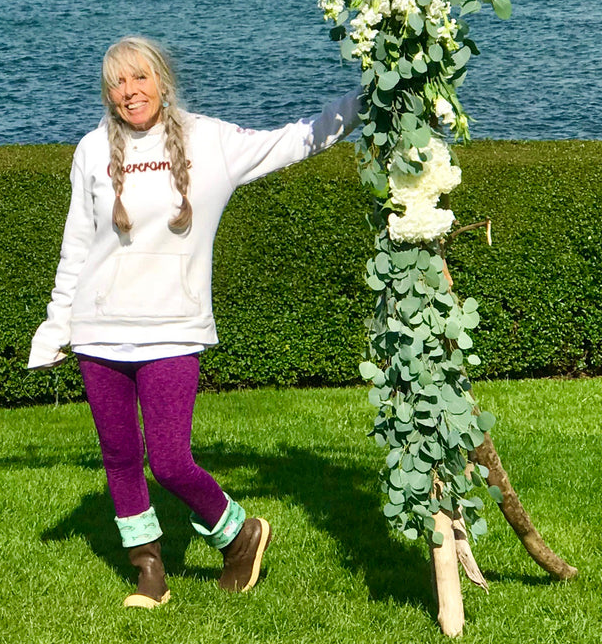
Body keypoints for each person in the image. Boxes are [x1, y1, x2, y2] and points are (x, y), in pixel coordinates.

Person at [28, 36, 363, 608]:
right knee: (119, 458)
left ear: (162, 80)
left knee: (170, 461)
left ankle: (238, 534)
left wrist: (368, 100)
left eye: (139, 77)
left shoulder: (211, 141)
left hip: (173, 328)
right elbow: (77, 245)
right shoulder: (91, 149)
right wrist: (58, 323)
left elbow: (296, 139)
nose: (130, 91)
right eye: (117, 83)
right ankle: (149, 569)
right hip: (98, 330)